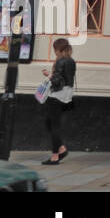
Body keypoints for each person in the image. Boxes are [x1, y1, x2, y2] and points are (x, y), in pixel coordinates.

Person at [41, 37, 76, 165]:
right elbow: (67, 79)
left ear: (57, 49)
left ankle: (55, 156)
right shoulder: (71, 61)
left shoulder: (61, 61)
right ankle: (61, 148)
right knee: (49, 122)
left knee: (54, 125)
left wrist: (48, 75)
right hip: (66, 95)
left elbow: (56, 81)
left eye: (54, 49)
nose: (54, 52)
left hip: (57, 95)